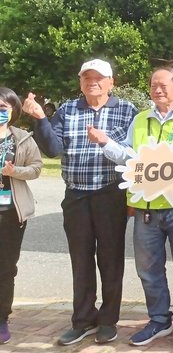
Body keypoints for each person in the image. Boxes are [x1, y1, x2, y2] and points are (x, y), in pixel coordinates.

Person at [23, 59, 137, 346]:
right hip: (76, 194)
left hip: (110, 194)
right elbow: (53, 148)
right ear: (80, 82)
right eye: (87, 78)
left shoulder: (127, 110)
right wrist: (39, 118)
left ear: (111, 82)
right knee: (81, 259)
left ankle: (108, 320)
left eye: (99, 78)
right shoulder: (68, 109)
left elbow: (134, 153)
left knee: (110, 259)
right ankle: (83, 320)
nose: (92, 83)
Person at [96, 67, 173, 347]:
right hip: (145, 209)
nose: (157, 89)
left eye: (163, 85)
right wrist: (106, 142)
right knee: (148, 269)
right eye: (153, 85)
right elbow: (129, 156)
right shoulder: (140, 119)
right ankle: (159, 320)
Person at [0, 87, 43, 345]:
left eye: (3, 108)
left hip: (9, 213)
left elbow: (37, 169)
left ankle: (2, 318)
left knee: (5, 269)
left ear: (13, 111)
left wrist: (14, 171)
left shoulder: (22, 139)